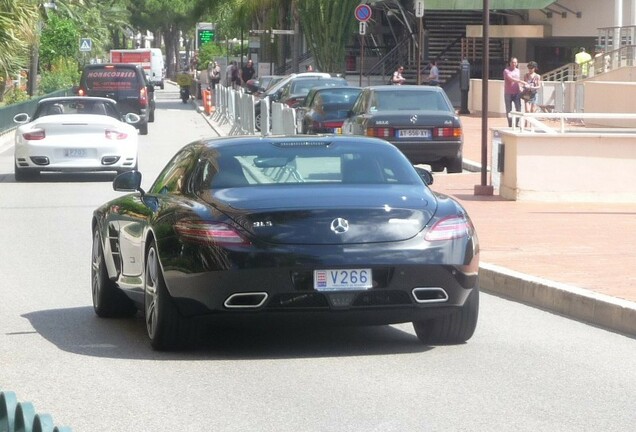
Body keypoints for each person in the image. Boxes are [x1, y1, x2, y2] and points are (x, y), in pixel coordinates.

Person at [503, 57, 523, 127]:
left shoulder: (518, 70)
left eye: (515, 62)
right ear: (510, 63)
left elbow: (518, 79)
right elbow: (511, 79)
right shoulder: (506, 70)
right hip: (508, 93)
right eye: (512, 62)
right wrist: (520, 81)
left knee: (519, 109)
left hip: (517, 93)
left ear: (517, 63)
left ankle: (516, 123)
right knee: (509, 110)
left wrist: (520, 86)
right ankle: (510, 124)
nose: (514, 64)